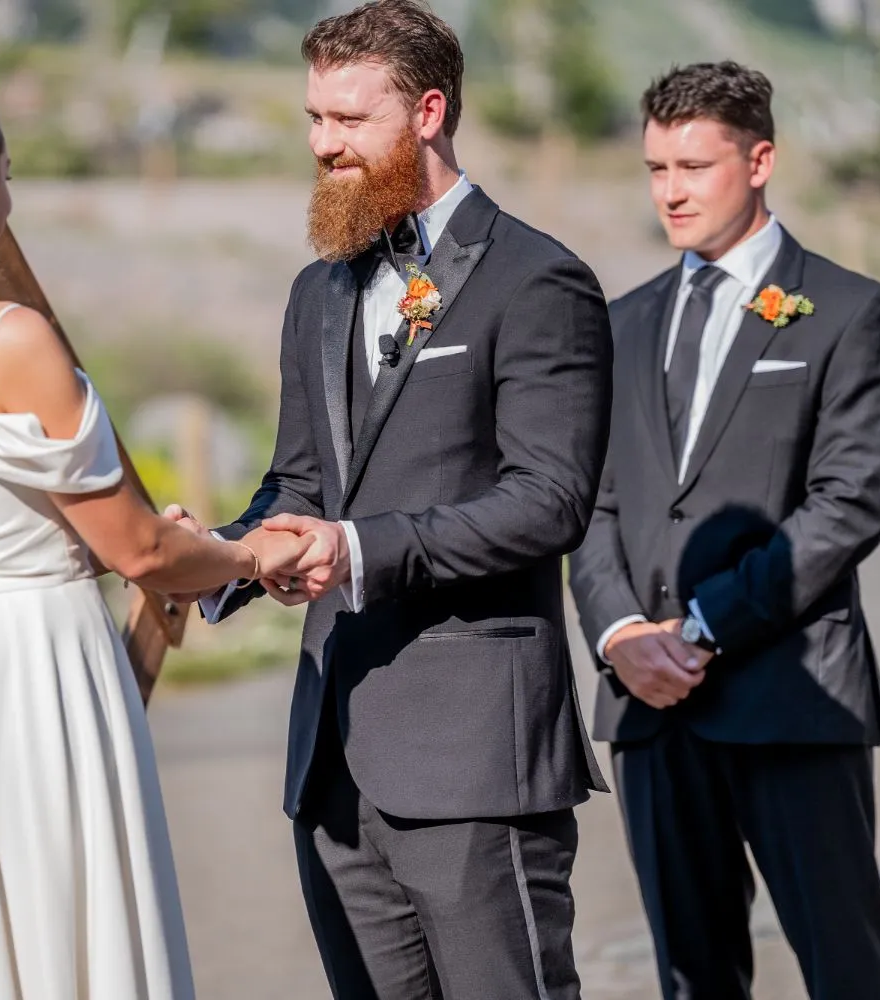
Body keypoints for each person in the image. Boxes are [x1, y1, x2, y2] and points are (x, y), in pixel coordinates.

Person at [0, 67, 307, 999]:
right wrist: (244, 552)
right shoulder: (10, 341)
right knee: (47, 936)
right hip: (29, 677)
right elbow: (141, 551)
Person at [170, 2, 614, 995]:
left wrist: (358, 551)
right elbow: (298, 481)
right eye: (314, 119)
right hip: (331, 759)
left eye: (349, 120)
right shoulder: (318, 290)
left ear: (427, 111)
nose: (325, 145)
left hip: (476, 761)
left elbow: (550, 500)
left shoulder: (539, 281)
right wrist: (217, 557)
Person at [569, 61, 880, 1000]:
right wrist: (619, 634)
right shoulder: (619, 325)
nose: (671, 192)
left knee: (845, 971)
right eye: (655, 169)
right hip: (651, 708)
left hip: (791, 694)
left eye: (695, 167)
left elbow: (848, 506)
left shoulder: (845, 311)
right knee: (692, 978)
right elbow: (588, 508)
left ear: (760, 161)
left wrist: (704, 626)